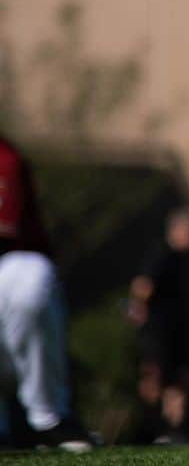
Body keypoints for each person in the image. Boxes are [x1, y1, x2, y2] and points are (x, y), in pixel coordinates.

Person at [0, 136, 94, 453]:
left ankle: (47, 417)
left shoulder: (5, 157)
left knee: (29, 278)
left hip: (10, 268)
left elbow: (6, 229)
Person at [127, 207, 189, 443]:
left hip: (177, 328)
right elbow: (142, 286)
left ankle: (172, 429)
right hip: (158, 329)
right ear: (178, 230)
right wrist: (138, 309)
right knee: (154, 378)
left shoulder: (186, 259)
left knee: (179, 380)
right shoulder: (161, 254)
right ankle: (149, 427)